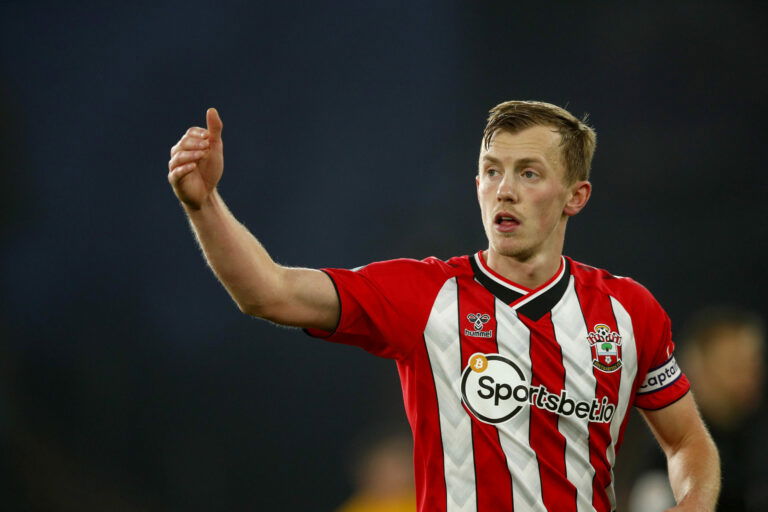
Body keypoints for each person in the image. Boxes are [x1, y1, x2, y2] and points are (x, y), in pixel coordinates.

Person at [167, 101, 720, 512]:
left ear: (576, 195)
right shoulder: (426, 293)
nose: (504, 189)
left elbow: (687, 441)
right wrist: (205, 204)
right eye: (492, 171)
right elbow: (270, 292)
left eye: (528, 173)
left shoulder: (628, 311)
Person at [629, 306, 766, 512]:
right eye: (734, 366)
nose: (749, 378)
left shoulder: (754, 443)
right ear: (698, 369)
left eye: (754, 366)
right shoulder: (668, 467)